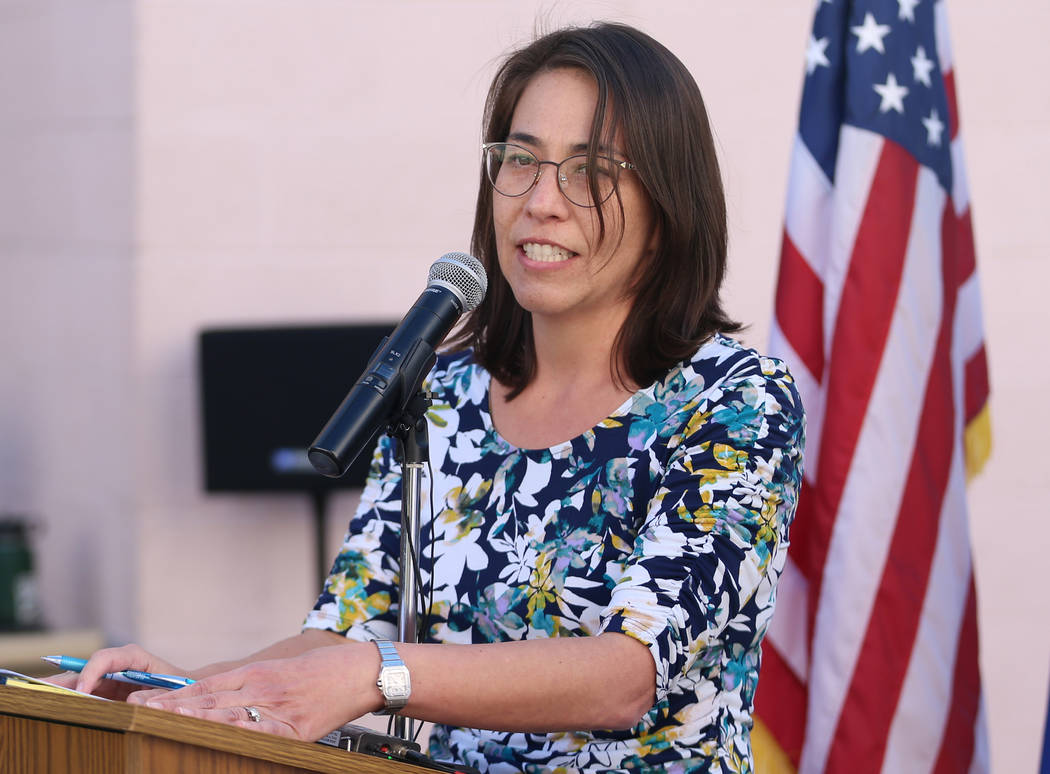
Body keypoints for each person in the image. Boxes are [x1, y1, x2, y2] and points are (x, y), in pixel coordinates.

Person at [60, 22, 804, 773]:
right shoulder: (444, 396)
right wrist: (180, 690)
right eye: (520, 159)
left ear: (668, 205)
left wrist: (376, 676)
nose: (542, 200)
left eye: (590, 170)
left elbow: (628, 675)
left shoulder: (735, 403)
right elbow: (348, 631)